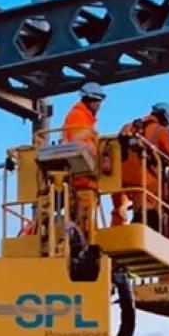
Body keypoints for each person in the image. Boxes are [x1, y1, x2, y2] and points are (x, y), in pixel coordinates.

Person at [118, 101, 169, 233]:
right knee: (149, 213)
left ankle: (132, 225)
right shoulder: (161, 131)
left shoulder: (128, 126)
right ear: (165, 119)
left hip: (122, 178)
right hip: (145, 179)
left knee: (138, 206)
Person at [55, 82, 107, 229]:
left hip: (84, 181)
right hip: (81, 181)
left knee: (84, 220)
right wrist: (100, 156)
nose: (99, 106)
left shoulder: (84, 118)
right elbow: (79, 144)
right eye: (97, 102)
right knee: (84, 223)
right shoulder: (78, 116)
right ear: (90, 100)